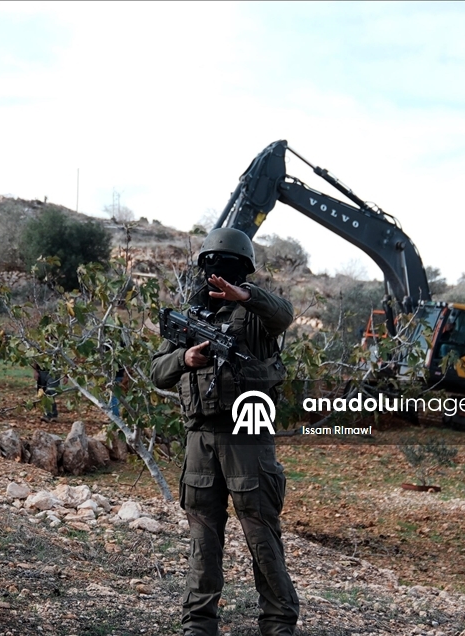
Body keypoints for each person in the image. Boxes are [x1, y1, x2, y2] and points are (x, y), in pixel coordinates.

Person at [151, 228, 299, 636]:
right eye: (211, 266)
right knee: (203, 538)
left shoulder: (256, 315)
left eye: (227, 269)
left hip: (247, 436)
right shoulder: (189, 318)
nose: (217, 274)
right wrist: (185, 357)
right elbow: (157, 372)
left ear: (242, 273)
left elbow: (285, 314)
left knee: (261, 535)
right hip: (200, 439)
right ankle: (198, 625)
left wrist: (245, 297)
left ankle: (278, 624)